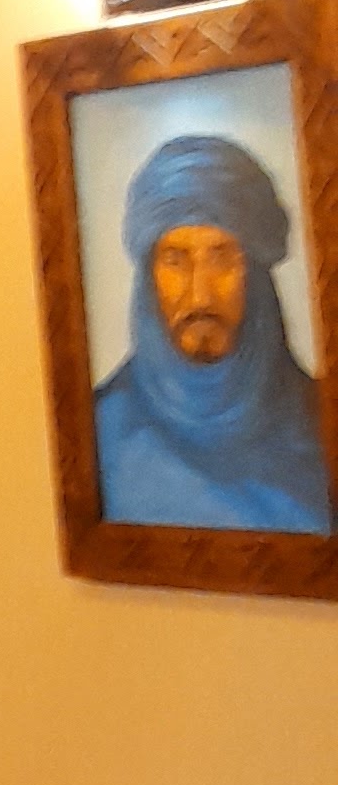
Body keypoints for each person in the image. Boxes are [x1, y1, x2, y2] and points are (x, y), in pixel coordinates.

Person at [92, 130, 332, 534]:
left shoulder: (318, 423)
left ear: (255, 272)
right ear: (149, 276)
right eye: (176, 260)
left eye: (222, 258)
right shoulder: (101, 432)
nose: (200, 294)